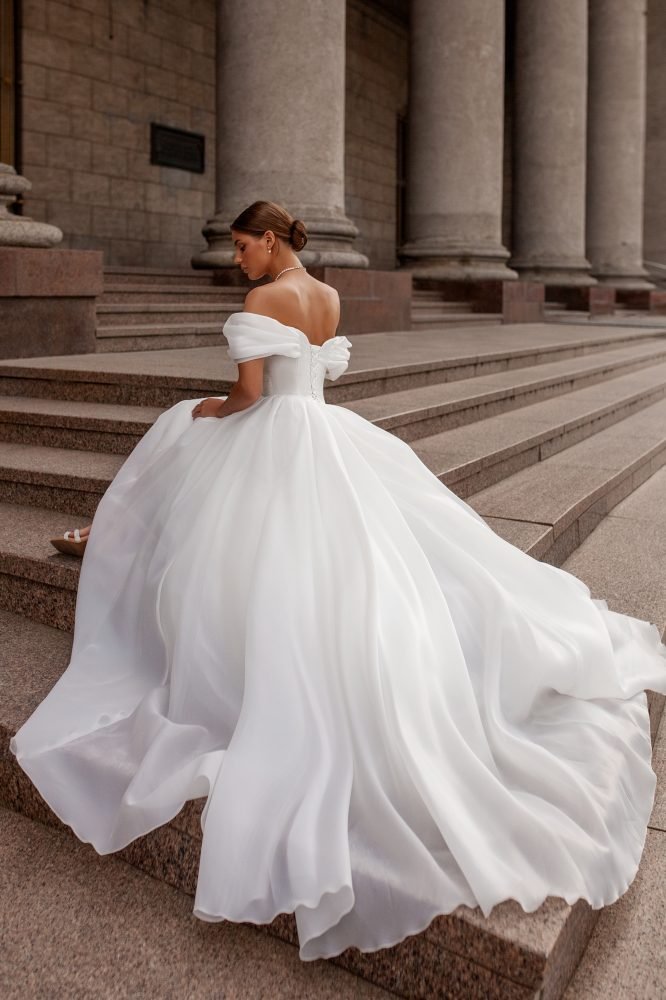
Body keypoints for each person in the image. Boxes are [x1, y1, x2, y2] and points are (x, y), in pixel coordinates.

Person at [13, 200, 666, 962]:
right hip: (325, 435)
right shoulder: (325, 294)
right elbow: (309, 376)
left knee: (184, 436)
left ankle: (120, 546)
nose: (238, 262)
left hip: (276, 432)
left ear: (266, 239)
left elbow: (251, 396)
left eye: (242, 246)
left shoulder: (264, 299)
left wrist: (206, 408)